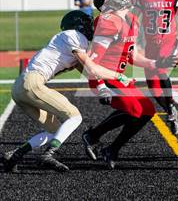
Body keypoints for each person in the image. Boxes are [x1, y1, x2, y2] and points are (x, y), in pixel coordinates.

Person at [2, 10, 129, 172]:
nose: (92, 27)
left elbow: (89, 72)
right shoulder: (75, 36)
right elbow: (92, 67)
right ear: (79, 25)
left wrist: (102, 87)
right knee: (75, 116)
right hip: (32, 82)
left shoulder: (69, 43)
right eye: (88, 24)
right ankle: (49, 154)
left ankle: (14, 155)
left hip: (20, 87)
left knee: (53, 130)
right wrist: (119, 76)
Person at [82, 0, 178, 169]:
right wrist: (100, 86)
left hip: (118, 78)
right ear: (111, 0)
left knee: (148, 110)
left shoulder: (131, 19)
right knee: (134, 109)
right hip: (103, 77)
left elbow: (131, 56)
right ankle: (92, 136)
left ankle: (111, 149)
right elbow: (92, 61)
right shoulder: (108, 21)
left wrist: (155, 63)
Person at [131, 0, 178, 135]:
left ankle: (170, 105)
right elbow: (133, 16)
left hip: (168, 41)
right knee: (153, 87)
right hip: (151, 45)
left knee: (162, 71)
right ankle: (171, 109)